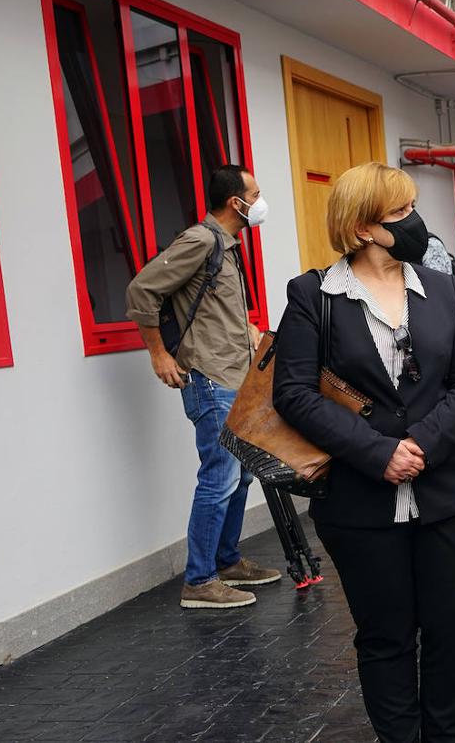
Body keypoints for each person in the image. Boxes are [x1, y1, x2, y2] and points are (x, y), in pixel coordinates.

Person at [273, 163, 455, 742]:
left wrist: (422, 444)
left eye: (412, 207)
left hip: (448, 497)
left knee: (452, 632)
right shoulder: (312, 296)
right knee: (385, 637)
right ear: (363, 227)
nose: (415, 220)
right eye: (400, 212)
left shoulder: (442, 288)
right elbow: (293, 393)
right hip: (359, 503)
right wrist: (377, 454)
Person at [126, 165, 280, 610]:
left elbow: (214, 308)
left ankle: (226, 561)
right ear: (236, 202)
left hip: (235, 377)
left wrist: (249, 332)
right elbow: (141, 291)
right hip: (209, 380)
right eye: (256, 194)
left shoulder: (227, 247)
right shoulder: (201, 240)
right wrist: (159, 354)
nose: (260, 201)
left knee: (241, 473)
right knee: (220, 477)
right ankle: (199, 580)